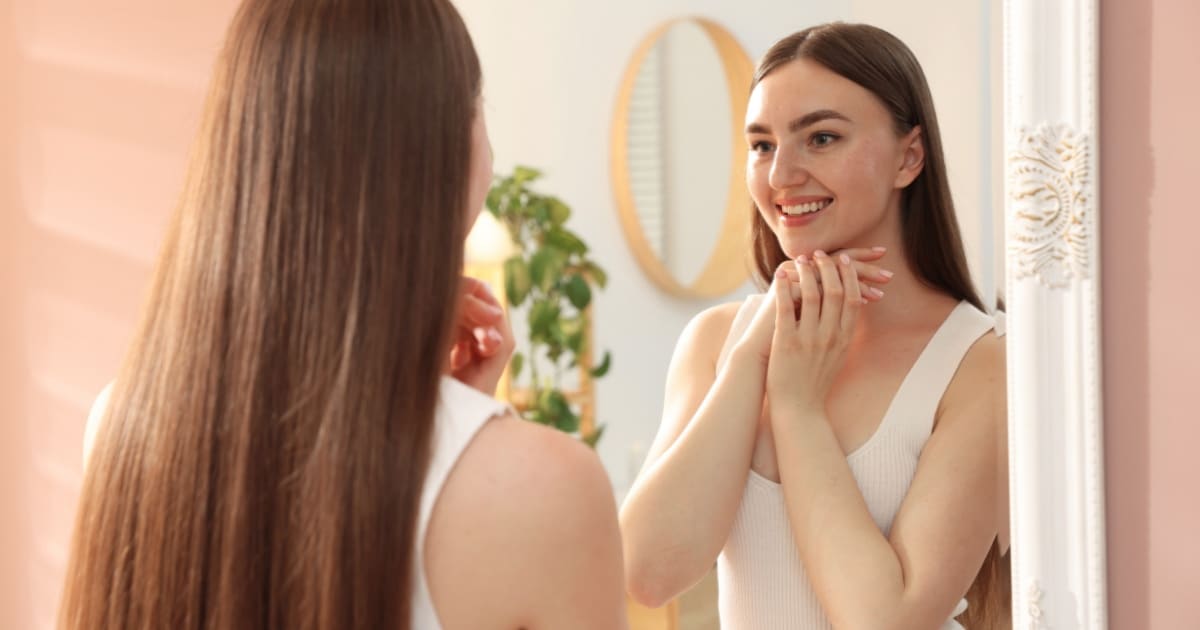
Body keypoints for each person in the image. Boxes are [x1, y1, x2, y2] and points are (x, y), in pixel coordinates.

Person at [58, 1, 627, 629]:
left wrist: (450, 419)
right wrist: (462, 433)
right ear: (449, 150)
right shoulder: (544, 490)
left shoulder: (120, 424)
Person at [620, 22, 1010, 629]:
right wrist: (757, 346)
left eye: (821, 138)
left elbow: (886, 620)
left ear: (909, 157)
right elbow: (648, 572)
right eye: (761, 145)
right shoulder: (718, 343)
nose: (780, 178)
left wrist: (797, 408)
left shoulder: (979, 366)